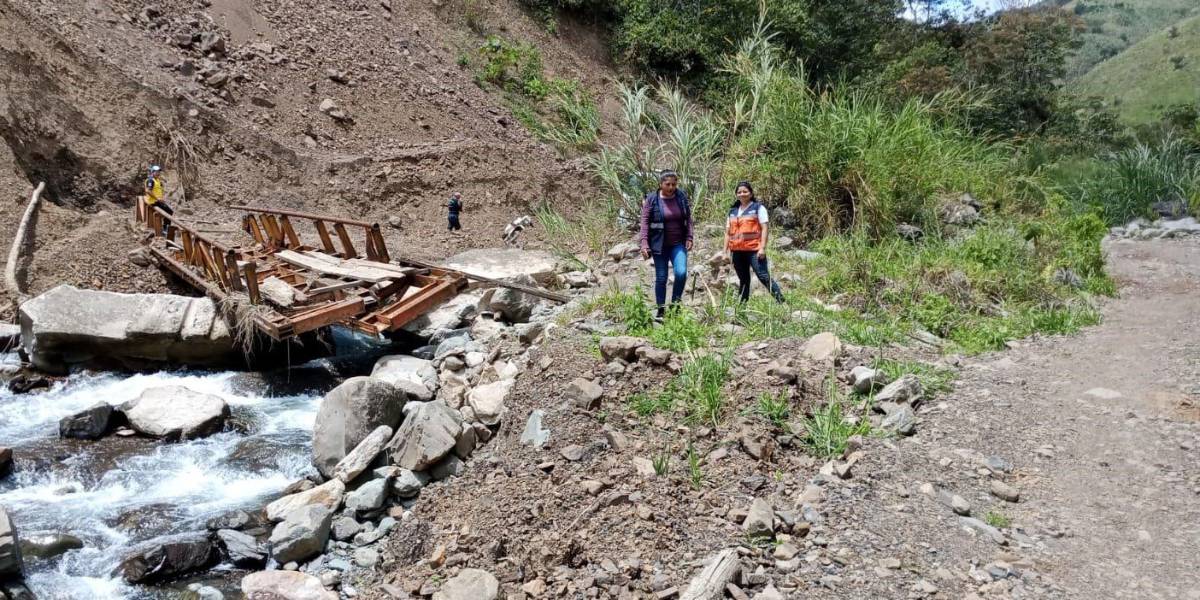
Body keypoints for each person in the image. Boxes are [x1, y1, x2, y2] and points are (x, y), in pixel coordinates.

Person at [639, 170, 693, 320]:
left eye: (674, 184)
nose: (671, 187)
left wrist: (689, 236)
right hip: (659, 245)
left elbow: (688, 218)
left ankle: (675, 305)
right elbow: (644, 222)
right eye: (667, 184)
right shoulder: (652, 199)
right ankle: (661, 310)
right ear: (660, 184)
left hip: (678, 243)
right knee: (661, 278)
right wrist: (644, 243)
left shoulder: (681, 197)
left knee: (681, 273)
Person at [726, 181, 785, 303]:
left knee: (763, 276)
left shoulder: (758, 208)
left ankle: (781, 301)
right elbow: (727, 232)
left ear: (751, 193)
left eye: (745, 191)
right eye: (739, 192)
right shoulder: (732, 211)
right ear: (736, 194)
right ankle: (742, 307)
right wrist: (724, 251)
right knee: (743, 279)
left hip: (754, 250)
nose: (742, 194)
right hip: (737, 251)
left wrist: (762, 248)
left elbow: (765, 228)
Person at [144, 164, 172, 234]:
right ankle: (165, 228)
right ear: (152, 172)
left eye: (158, 172)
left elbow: (158, 191)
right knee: (169, 211)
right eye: (156, 172)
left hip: (157, 201)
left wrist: (161, 198)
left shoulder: (157, 180)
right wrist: (157, 198)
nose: (158, 173)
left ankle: (165, 227)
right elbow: (148, 190)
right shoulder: (151, 180)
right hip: (153, 202)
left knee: (169, 210)